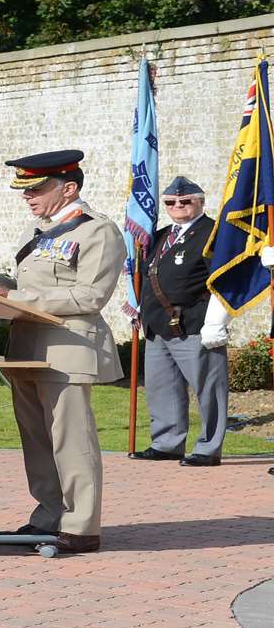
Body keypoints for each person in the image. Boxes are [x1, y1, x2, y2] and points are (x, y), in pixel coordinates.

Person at [0, 149, 122, 555]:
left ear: (69, 188)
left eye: (36, 189)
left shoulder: (97, 231)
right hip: (28, 347)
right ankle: (48, 516)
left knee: (71, 440)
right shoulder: (38, 231)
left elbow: (90, 295)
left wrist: (11, 292)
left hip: (67, 347)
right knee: (36, 441)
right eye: (25, 190)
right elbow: (23, 290)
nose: (27, 197)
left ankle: (81, 525)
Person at [133, 176, 231, 466]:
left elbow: (223, 280)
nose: (177, 206)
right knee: (161, 387)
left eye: (185, 201)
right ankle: (167, 442)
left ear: (200, 202)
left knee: (209, 389)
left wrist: (217, 321)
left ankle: (208, 448)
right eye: (170, 202)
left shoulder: (214, 234)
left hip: (193, 322)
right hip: (157, 325)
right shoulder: (161, 235)